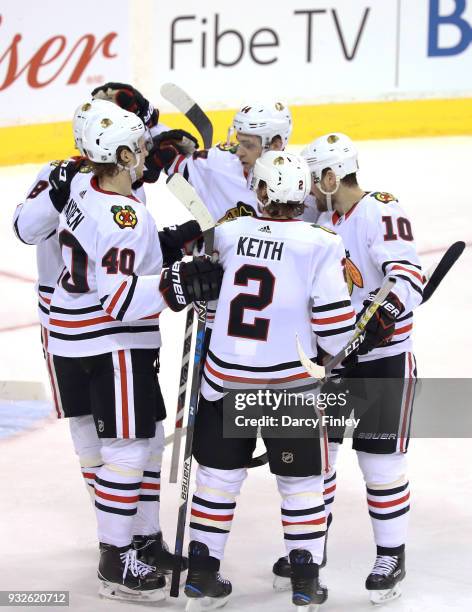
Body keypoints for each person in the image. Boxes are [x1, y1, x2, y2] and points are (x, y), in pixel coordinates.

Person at [36, 101, 223, 602]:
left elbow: (117, 257)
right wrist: (179, 286)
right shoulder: (123, 214)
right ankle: (116, 561)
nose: (145, 155)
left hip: (74, 337)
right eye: (138, 148)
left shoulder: (85, 188)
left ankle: (141, 540)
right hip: (110, 343)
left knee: (142, 440)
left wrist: (180, 241)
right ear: (120, 154)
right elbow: (119, 299)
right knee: (126, 451)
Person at [183, 151, 356, 610]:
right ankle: (304, 580)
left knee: (217, 480)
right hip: (289, 388)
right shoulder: (323, 242)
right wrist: (358, 331)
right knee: (301, 484)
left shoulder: (228, 232)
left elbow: (207, 304)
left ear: (259, 190)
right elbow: (335, 331)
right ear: (304, 193)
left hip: (224, 381)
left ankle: (202, 574)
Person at [280, 132, 420, 605]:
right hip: (335, 363)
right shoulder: (324, 219)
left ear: (330, 175)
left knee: (380, 463)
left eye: (313, 175)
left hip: (383, 361)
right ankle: (311, 550)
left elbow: (407, 276)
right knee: (321, 461)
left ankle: (390, 555)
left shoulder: (380, 208)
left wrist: (385, 314)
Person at [145, 101, 320, 224]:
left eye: (248, 145)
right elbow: (175, 160)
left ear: (276, 145)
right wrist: (149, 123)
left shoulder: (302, 190)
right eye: (239, 141)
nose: (239, 152)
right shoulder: (218, 164)